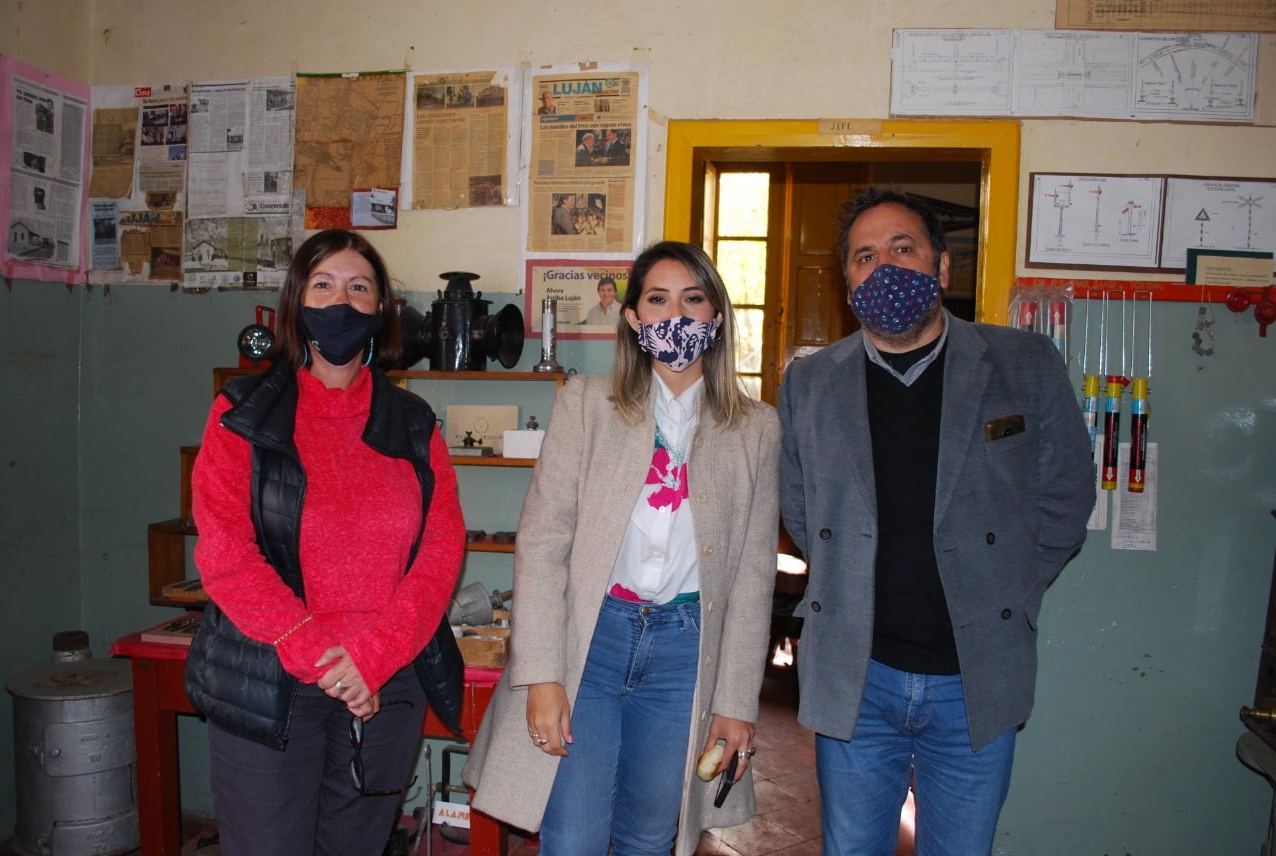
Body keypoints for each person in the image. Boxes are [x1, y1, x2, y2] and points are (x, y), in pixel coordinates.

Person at [778, 187, 1094, 855]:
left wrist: (1006, 588)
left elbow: (1065, 496)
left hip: (975, 677)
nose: (884, 266)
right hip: (857, 678)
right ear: (848, 280)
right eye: (866, 256)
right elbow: (802, 508)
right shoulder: (810, 384)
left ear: (942, 267)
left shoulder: (1023, 364)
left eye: (903, 248)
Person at [464, 241, 782, 855]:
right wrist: (541, 675)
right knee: (573, 836)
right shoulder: (587, 404)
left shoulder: (756, 428)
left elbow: (751, 578)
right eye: (657, 301)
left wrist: (736, 701)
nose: (676, 318)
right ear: (634, 320)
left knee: (646, 837)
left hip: (684, 654)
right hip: (593, 642)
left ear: (716, 316)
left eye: (693, 301)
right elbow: (543, 542)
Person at [186, 229, 466, 856]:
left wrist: (372, 658)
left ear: (380, 311)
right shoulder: (242, 414)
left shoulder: (414, 423)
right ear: (297, 303)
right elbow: (226, 553)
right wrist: (319, 655)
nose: (341, 301)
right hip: (270, 678)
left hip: (385, 685)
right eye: (323, 285)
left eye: (359, 287)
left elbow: (441, 550)